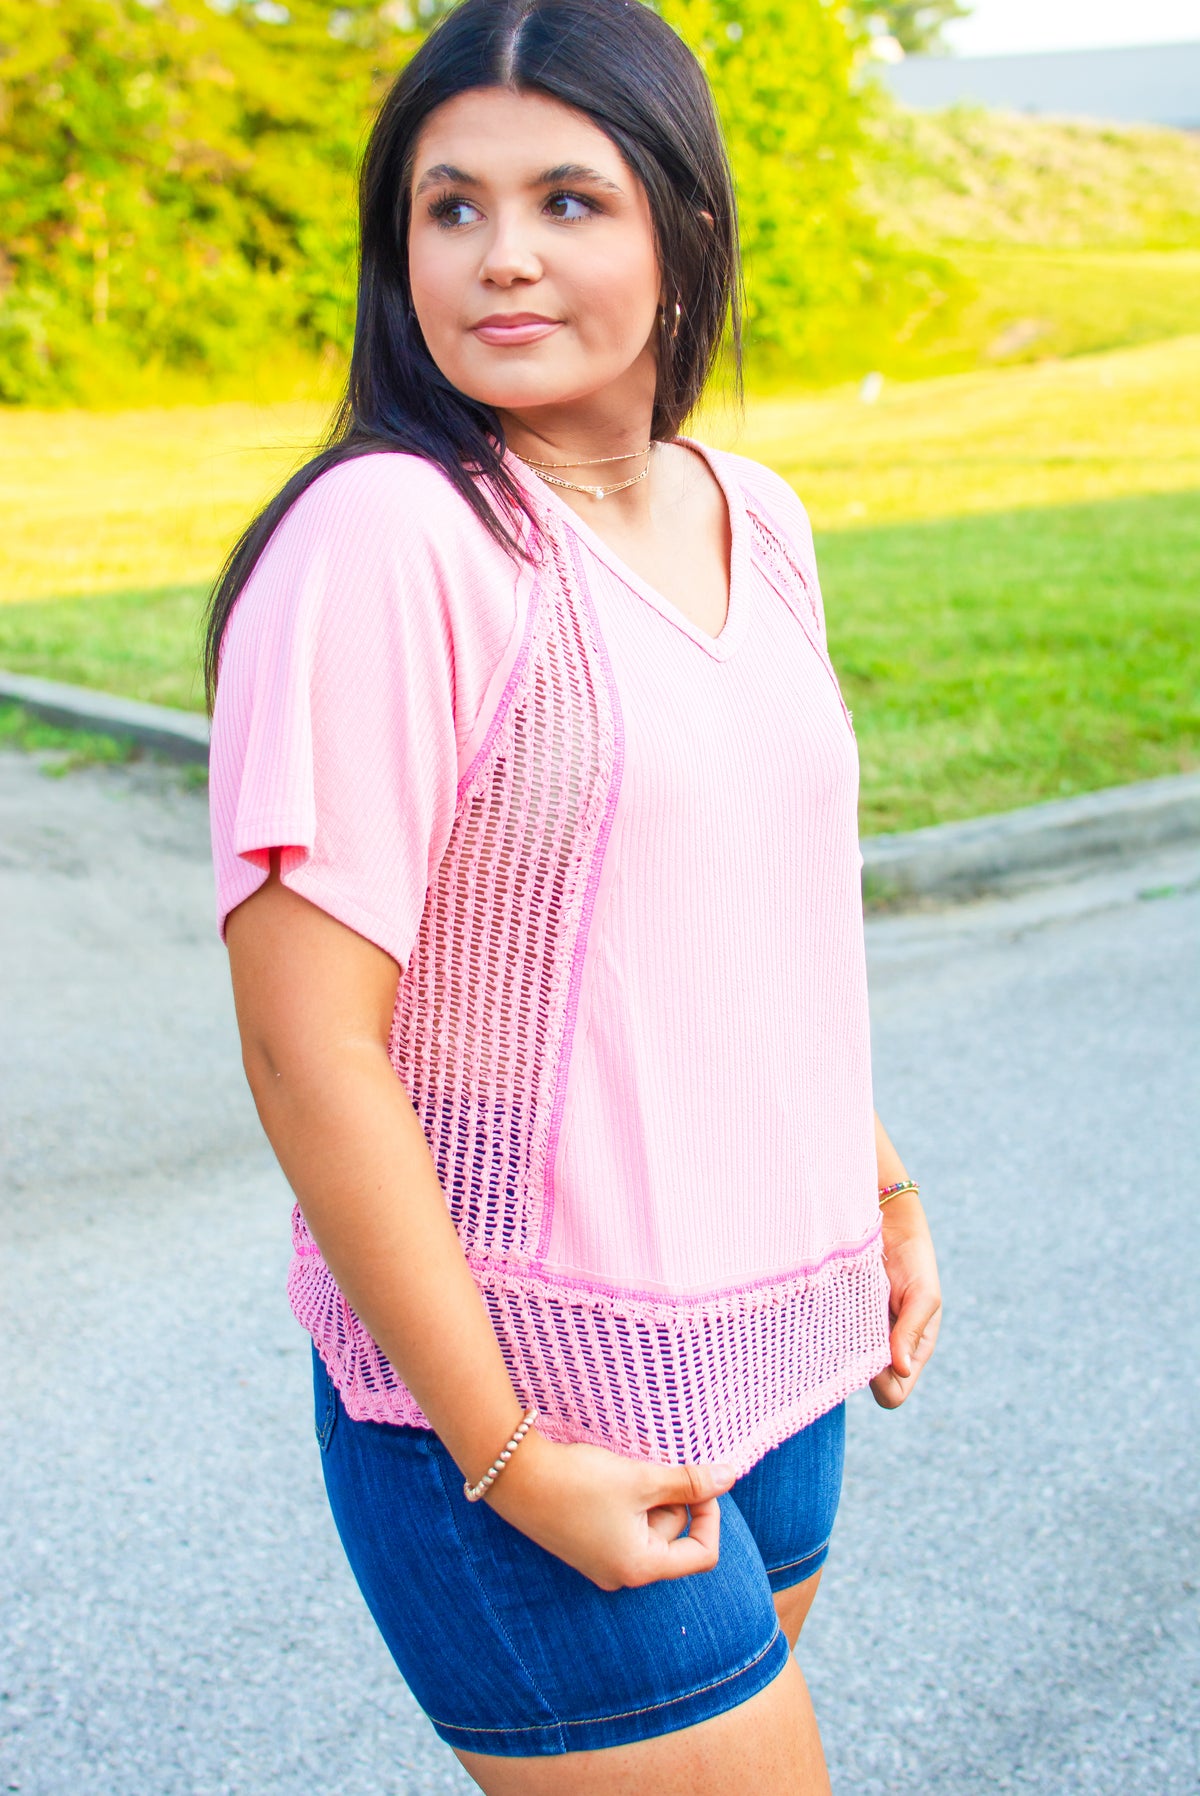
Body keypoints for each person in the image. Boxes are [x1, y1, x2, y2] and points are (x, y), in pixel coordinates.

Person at [205, 1, 942, 1789]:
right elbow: (312, 1056)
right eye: (449, 209)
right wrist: (510, 1448)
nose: (501, 258)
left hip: (772, 1354)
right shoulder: (391, 540)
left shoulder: (753, 515)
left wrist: (884, 1190)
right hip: (520, 1388)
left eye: (568, 201)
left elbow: (747, 932)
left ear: (685, 226)